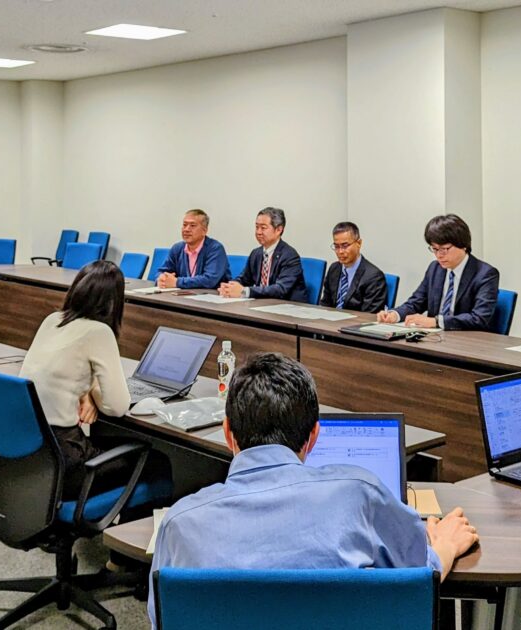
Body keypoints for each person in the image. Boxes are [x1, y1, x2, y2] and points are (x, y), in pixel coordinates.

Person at [147, 352, 478, 626]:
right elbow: (416, 579)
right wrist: (444, 548)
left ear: (227, 433)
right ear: (314, 436)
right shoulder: (360, 492)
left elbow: (161, 617)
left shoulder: (180, 523)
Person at [19, 261, 145, 498]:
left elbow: (61, 373)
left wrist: (85, 392)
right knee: (153, 462)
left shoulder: (52, 320)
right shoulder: (99, 332)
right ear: (113, 303)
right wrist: (93, 392)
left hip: (33, 455)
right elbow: (117, 407)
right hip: (66, 460)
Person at [377, 214, 499, 331]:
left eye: (444, 249)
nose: (439, 255)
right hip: (435, 339)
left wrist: (436, 322)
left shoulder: (485, 274)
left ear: (463, 245)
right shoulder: (435, 268)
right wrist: (395, 314)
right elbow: (416, 303)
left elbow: (479, 318)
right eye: (434, 249)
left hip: (467, 341)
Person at [219, 207, 307, 302]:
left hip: (287, 308)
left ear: (278, 230)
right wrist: (230, 287)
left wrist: (245, 291)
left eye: (263, 228)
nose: (258, 232)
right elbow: (244, 279)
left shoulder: (290, 256)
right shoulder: (256, 253)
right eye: (257, 227)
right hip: (262, 306)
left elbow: (280, 289)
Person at [318, 221, 388, 313]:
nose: (340, 251)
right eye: (336, 246)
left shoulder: (374, 277)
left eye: (345, 246)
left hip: (355, 325)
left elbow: (369, 317)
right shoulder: (334, 269)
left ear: (359, 243)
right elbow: (325, 305)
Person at [155, 208, 231, 289]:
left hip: (211, 297)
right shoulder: (177, 248)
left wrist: (177, 282)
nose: (186, 229)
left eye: (192, 225)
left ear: (204, 231)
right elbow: (162, 271)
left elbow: (209, 280)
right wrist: (161, 279)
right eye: (184, 225)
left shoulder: (215, 249)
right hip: (183, 297)